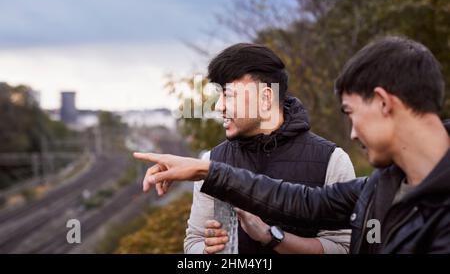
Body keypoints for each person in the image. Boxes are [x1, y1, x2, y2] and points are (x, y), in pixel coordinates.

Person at [135, 36, 450, 253]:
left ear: (383, 103)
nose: (353, 133)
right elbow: (306, 203)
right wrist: (208, 171)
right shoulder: (382, 185)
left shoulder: (334, 160)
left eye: (352, 113)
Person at [184, 43, 355, 254]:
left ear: (265, 98)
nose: (219, 106)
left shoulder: (332, 160)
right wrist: (208, 250)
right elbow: (194, 241)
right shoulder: (211, 161)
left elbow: (344, 248)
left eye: (228, 95)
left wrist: (272, 237)